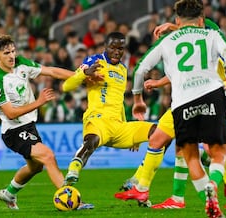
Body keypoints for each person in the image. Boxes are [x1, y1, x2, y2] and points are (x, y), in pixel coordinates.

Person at [115, 1, 226, 218]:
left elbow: (140, 69)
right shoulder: (210, 35)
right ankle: (213, 185)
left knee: (189, 154)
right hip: (212, 93)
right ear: (201, 19)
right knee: (217, 151)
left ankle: (187, 196)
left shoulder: (167, 42)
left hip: (182, 101)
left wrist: (138, 98)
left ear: (176, 20)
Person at [0, 34, 93, 210]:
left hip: (29, 126)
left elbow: (51, 71)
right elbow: (10, 113)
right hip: (13, 131)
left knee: (35, 167)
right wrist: (39, 102)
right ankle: (72, 201)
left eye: (13, 51)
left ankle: (9, 193)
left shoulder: (21, 63)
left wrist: (80, 78)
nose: (12, 56)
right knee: (48, 156)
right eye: (7, 53)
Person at [61, 32, 159, 193]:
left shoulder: (123, 70)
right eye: (113, 47)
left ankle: (136, 180)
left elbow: (119, 101)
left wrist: (129, 129)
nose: (117, 51)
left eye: (120, 48)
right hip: (98, 119)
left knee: (159, 133)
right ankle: (73, 170)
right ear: (105, 47)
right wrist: (85, 73)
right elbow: (67, 86)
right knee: (91, 141)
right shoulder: (94, 61)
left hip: (119, 125)